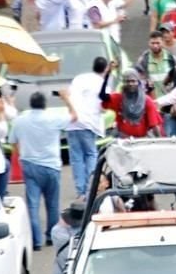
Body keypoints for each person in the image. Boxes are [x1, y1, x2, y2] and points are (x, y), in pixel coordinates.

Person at [9, 91, 78, 251]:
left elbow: (13, 142)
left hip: (30, 165)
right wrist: (67, 99)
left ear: (31, 104)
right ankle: (51, 237)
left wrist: (22, 155)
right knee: (52, 204)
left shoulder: (20, 121)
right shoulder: (53, 119)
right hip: (51, 166)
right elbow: (74, 117)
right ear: (44, 104)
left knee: (33, 205)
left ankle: (36, 240)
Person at [66, 57, 108, 199]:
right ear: (105, 68)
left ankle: (81, 192)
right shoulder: (103, 83)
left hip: (72, 123)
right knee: (91, 155)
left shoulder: (79, 78)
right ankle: (92, 188)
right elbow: (104, 106)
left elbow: (70, 95)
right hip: (89, 123)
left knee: (76, 158)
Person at [100, 65, 163, 138]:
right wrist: (107, 75)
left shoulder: (147, 101)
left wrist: (160, 141)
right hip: (123, 141)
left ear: (138, 82)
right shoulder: (118, 98)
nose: (130, 84)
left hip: (141, 141)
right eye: (127, 81)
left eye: (133, 81)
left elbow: (154, 125)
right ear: (123, 83)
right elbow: (102, 96)